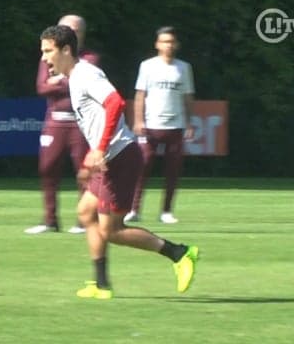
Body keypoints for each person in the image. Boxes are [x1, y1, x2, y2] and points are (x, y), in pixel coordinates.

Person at [39, 24, 199, 299]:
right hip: (108, 160)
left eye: (48, 51)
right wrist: (93, 159)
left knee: (112, 230)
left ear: (66, 50)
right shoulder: (74, 77)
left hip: (121, 157)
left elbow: (115, 103)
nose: (44, 58)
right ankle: (101, 285)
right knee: (86, 213)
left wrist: (99, 149)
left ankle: (180, 253)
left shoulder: (86, 74)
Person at [25, 14, 99, 235]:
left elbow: (79, 83)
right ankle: (50, 221)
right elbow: (41, 88)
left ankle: (84, 221)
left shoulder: (89, 59)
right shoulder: (47, 58)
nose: (71, 33)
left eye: (76, 30)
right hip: (55, 121)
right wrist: (63, 81)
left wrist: (58, 80)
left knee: (84, 172)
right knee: (47, 169)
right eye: (66, 29)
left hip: (80, 123)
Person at [124, 26, 195, 225]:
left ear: (177, 45)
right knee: (142, 165)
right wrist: (138, 121)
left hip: (176, 126)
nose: (168, 45)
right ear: (157, 44)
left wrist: (189, 122)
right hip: (151, 125)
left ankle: (166, 211)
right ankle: (133, 209)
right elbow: (140, 95)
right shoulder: (147, 66)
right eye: (164, 41)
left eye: (171, 41)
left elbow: (188, 97)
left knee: (173, 169)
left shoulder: (184, 68)